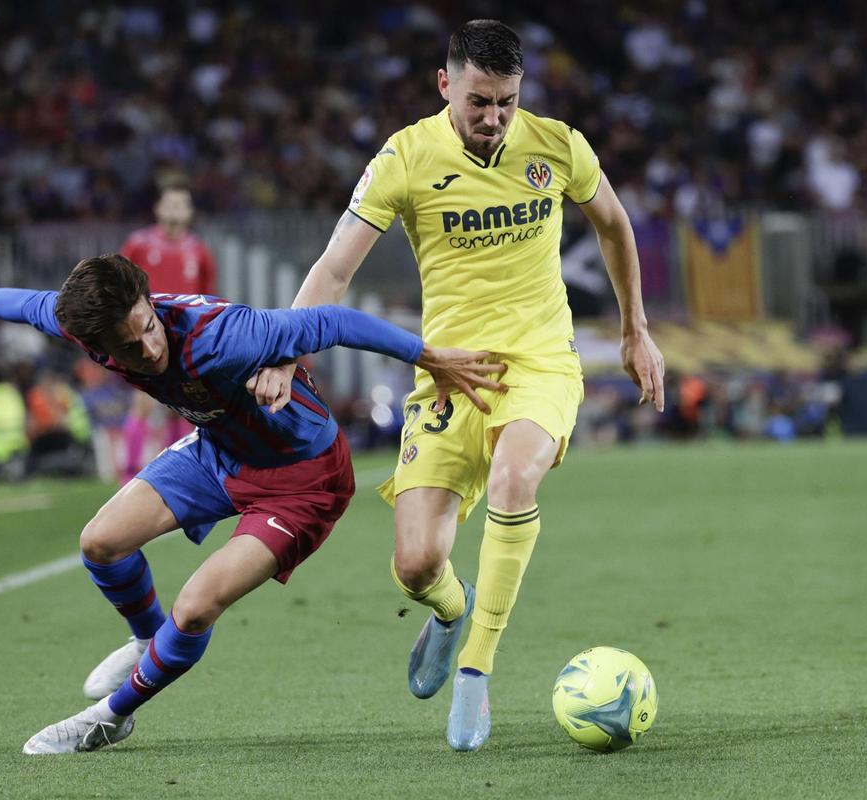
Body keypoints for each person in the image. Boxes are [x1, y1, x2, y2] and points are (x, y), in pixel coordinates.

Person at [249, 20, 666, 751]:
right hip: (446, 375)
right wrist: (285, 350)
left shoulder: (557, 145)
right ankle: (451, 611)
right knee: (414, 566)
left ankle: (476, 670)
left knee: (514, 478)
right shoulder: (405, 158)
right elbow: (334, 268)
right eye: (479, 100)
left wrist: (635, 329)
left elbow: (616, 226)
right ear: (445, 85)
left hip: (539, 362)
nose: (494, 117)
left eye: (506, 100)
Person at [0, 253, 503, 755]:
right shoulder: (91, 328)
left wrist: (431, 357)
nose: (148, 348)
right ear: (95, 346)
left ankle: (110, 718)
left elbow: (332, 320)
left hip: (304, 481)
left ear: (151, 302)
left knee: (197, 607)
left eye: (149, 326)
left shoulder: (223, 335)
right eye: (128, 345)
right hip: (220, 452)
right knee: (100, 543)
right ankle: (148, 639)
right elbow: (34, 305)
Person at [118, 178, 218, 478]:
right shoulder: (138, 243)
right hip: (145, 337)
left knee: (183, 405)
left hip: (183, 339)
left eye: (181, 204)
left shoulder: (199, 251)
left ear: (190, 211)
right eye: (170, 203)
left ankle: (174, 471)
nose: (175, 209)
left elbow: (205, 298)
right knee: (143, 402)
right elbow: (121, 286)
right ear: (158, 208)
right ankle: (128, 474)